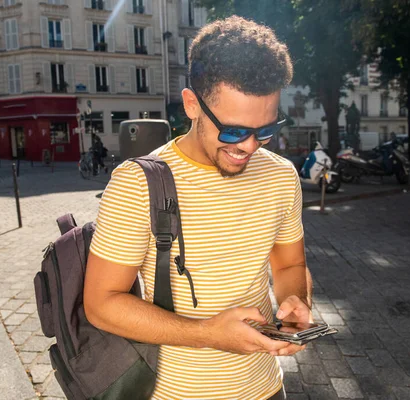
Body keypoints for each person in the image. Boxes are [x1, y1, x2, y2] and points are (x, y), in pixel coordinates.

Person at [84, 16, 310, 400]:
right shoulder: (136, 183)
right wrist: (206, 334)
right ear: (192, 104)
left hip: (267, 389)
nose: (250, 147)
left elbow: (290, 265)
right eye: (234, 131)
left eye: (266, 131)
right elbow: (101, 305)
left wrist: (295, 306)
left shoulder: (281, 176)